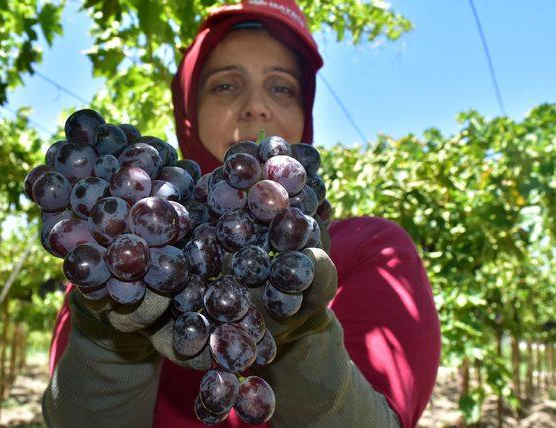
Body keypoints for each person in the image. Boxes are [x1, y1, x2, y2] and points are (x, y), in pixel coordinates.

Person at [42, 1, 441, 427]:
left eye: (282, 87)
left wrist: (303, 342)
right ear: (188, 112)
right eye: (226, 86)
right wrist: (107, 343)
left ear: (304, 115)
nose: (256, 106)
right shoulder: (120, 264)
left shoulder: (372, 248)